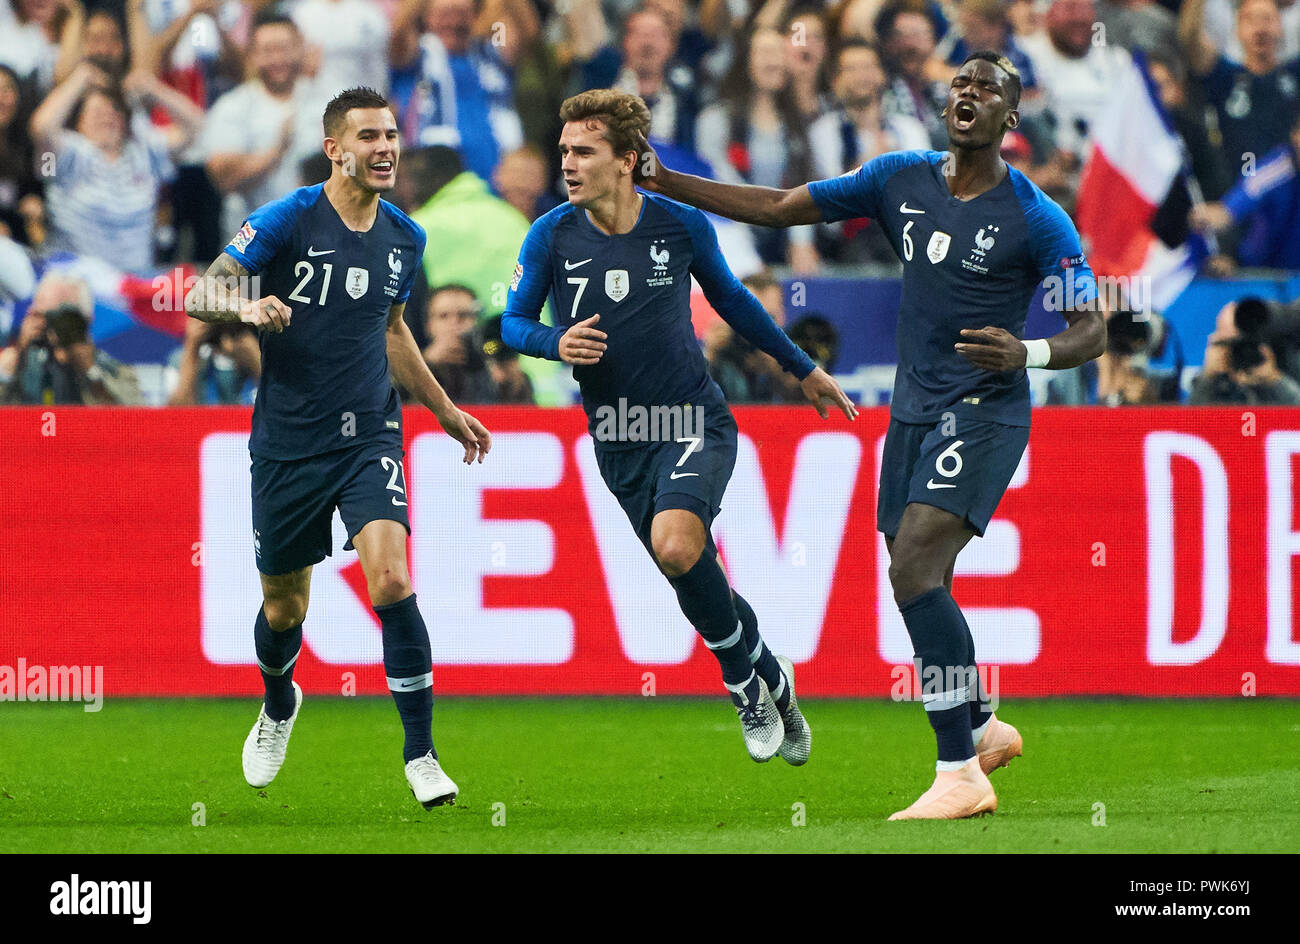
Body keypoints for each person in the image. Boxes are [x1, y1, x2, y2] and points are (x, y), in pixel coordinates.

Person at [641, 51, 1106, 819]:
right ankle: (981, 722)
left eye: (987, 89)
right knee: (911, 568)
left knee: (916, 566)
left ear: (1009, 118)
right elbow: (778, 205)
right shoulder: (898, 178)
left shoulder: (1035, 216)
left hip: (987, 409)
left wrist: (1029, 351)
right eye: (960, 83)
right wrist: (667, 181)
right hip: (914, 409)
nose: (968, 94)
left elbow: (1092, 330)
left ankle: (959, 772)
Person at [502, 88, 856, 764]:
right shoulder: (550, 235)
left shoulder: (679, 226)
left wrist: (799, 367)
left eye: (584, 151)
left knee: (675, 545)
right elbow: (513, 322)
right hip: (619, 435)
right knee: (692, 572)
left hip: (693, 416)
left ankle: (737, 683)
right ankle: (771, 675)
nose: (568, 165)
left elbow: (735, 301)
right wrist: (554, 343)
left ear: (629, 160)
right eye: (564, 151)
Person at [184, 86, 492, 810]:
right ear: (334, 149)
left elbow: (391, 331)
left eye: (391, 135)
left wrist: (443, 409)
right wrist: (247, 304)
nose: (385, 148)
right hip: (289, 441)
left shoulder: (405, 238)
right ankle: (280, 699)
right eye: (368, 137)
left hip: (370, 433)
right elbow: (201, 294)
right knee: (286, 609)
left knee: (389, 578)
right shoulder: (287, 219)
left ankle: (421, 754)